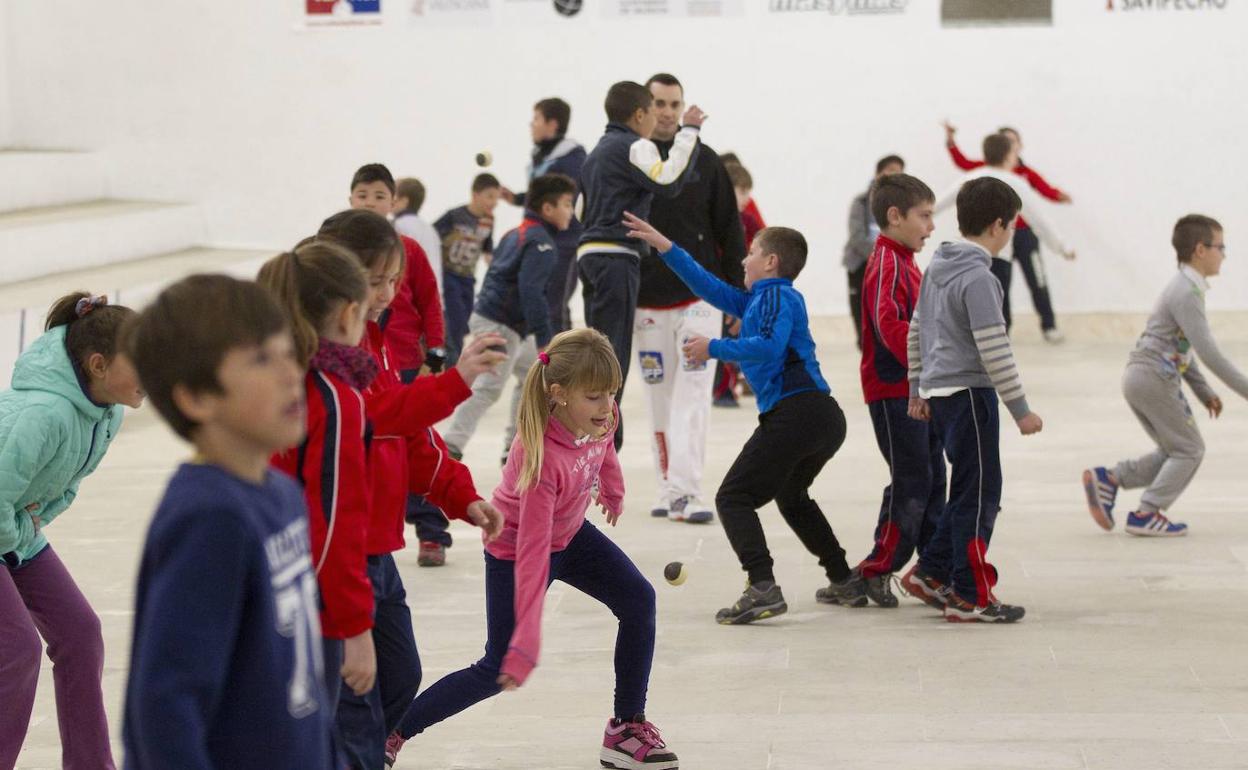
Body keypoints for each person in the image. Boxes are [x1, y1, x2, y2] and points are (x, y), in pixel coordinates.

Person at [387, 329, 679, 770]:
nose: (607, 408)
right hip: (516, 546)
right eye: (595, 398)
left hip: (572, 534)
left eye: (611, 395)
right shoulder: (538, 457)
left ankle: (625, 728)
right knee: (496, 666)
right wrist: (527, 640)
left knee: (639, 600)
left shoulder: (603, 415)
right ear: (558, 394)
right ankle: (393, 731)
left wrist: (613, 490)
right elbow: (532, 550)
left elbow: (605, 450)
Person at [316, 210, 505, 766]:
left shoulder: (376, 344)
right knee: (351, 699)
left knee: (399, 677)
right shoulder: (322, 359)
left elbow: (412, 438)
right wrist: (456, 382)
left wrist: (459, 495)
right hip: (337, 553)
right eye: (375, 281)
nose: (387, 293)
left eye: (393, 280)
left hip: (377, 552)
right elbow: (380, 416)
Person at [122, 275, 334, 769]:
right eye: (261, 359)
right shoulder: (209, 517)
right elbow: (164, 704)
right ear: (197, 397)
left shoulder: (281, 495)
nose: (290, 373)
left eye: (288, 351)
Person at [624, 213, 857, 625]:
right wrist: (666, 246)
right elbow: (707, 286)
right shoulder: (758, 301)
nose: (744, 260)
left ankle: (762, 586)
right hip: (821, 417)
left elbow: (768, 348)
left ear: (770, 263)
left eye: (751, 253)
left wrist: (712, 347)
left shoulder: (777, 297)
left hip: (798, 411)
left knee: (733, 498)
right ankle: (843, 578)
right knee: (792, 496)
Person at [1, 293, 141, 770]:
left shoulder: (107, 413)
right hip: (4, 527)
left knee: (81, 633)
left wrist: (25, 527)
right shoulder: (44, 413)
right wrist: (19, 529)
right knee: (17, 649)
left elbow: (65, 487)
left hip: (13, 531)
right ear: (99, 364)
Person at [259, 243, 378, 766]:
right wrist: (352, 627)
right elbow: (333, 521)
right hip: (304, 604)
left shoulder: (268, 379)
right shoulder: (334, 395)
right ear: (351, 313)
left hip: (254, 584)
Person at [906, 176, 1044, 623]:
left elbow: (916, 333)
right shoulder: (979, 278)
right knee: (981, 494)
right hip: (970, 396)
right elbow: (994, 348)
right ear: (999, 225)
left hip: (943, 395)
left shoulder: (937, 268)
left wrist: (917, 388)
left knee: (969, 489)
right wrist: (1020, 410)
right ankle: (969, 594)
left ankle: (931, 572)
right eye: (1013, 225)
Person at [1082, 214, 1248, 537]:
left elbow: (1183, 349)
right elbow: (1208, 351)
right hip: (1154, 377)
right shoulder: (1187, 292)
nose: (1224, 254)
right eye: (1221, 247)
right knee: (1190, 449)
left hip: (1142, 376)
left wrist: (1203, 392)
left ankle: (1110, 479)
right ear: (1201, 250)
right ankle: (1147, 512)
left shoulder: (1186, 287)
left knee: (1174, 449)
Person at [637, 73, 745, 523]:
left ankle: (689, 491)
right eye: (658, 103)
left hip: (700, 302)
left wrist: (739, 299)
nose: (666, 111)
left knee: (695, 394)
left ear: (683, 109)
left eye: (673, 103)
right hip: (646, 305)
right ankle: (668, 487)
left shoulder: (707, 161)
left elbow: (730, 230)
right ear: (644, 109)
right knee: (659, 399)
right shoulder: (630, 158)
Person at [577, 80, 705, 451]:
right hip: (616, 257)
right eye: (654, 110)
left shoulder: (595, 154)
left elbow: (583, 211)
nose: (660, 118)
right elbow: (669, 180)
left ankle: (595, 441)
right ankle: (602, 448)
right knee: (612, 356)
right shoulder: (635, 144)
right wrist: (690, 133)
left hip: (590, 257)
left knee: (598, 350)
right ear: (639, 115)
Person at [838, 172, 945, 609]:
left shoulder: (906, 260)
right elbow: (888, 327)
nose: (931, 226)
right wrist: (927, 363)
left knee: (930, 477)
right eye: (925, 216)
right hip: (893, 391)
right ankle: (877, 569)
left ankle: (933, 567)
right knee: (912, 481)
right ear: (895, 216)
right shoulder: (884, 261)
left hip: (918, 389)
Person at [442, 174, 577, 465]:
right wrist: (545, 340)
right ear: (548, 209)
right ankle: (449, 447)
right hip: (499, 325)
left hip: (502, 324)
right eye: (567, 204)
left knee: (531, 375)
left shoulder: (517, 232)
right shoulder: (541, 243)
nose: (571, 211)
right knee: (490, 387)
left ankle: (515, 447)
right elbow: (531, 293)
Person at [943, 123, 1073, 340]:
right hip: (995, 243)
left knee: (1034, 280)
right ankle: (1000, 330)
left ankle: (1046, 326)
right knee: (997, 285)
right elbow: (962, 165)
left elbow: (1041, 200)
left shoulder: (1021, 176)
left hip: (1022, 237)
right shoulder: (985, 174)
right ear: (1005, 151)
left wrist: (1058, 198)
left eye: (1014, 142)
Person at [349, 163, 447, 378]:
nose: (370, 203)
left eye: (379, 196)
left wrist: (435, 354)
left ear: (393, 203)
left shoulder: (409, 249)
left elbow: (429, 300)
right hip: (353, 357)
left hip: (404, 359)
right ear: (351, 200)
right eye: (362, 195)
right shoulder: (337, 247)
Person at [500, 97, 588, 335]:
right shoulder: (543, 157)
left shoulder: (572, 159)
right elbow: (544, 196)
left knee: (553, 306)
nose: (532, 125)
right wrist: (517, 198)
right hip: (540, 240)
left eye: (536, 119)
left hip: (563, 243)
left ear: (552, 124)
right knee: (542, 302)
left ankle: (563, 364)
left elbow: (566, 200)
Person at [843, 155, 905, 351]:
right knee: (862, 319)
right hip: (861, 266)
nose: (896, 175)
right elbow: (857, 236)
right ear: (878, 173)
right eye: (891, 170)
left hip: (886, 266)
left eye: (900, 171)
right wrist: (881, 257)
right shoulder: (861, 202)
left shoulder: (902, 206)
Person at [436, 174, 500, 365]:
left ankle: (452, 357)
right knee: (454, 321)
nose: (494, 202)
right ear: (475, 194)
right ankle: (451, 365)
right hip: (449, 275)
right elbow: (432, 236)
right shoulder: (455, 215)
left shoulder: (489, 220)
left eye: (497, 198)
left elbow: (488, 249)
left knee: (465, 324)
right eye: (489, 196)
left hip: (467, 278)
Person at [394, 177, 444, 293]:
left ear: (404, 201)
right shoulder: (431, 230)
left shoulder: (399, 225)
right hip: (433, 295)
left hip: (411, 295)